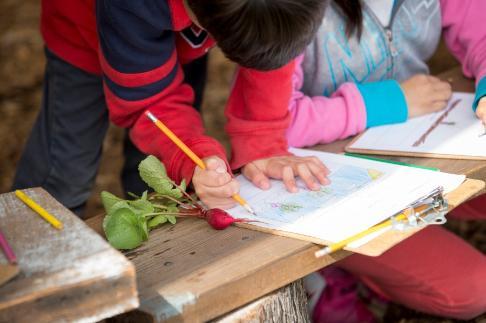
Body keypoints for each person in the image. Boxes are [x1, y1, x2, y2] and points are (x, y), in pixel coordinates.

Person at [12, 0, 330, 216]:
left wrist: (262, 142)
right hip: (84, 38)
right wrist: (191, 153)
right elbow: (150, 105)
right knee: (62, 176)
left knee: (157, 177)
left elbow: (271, 43)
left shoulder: (251, 10)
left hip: (187, 39)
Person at [280, 0, 486, 320]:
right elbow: (268, 123)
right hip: (328, 186)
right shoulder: (285, 7)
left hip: (416, 153)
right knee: (475, 288)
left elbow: (480, 27)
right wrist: (388, 102)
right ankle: (329, 275)